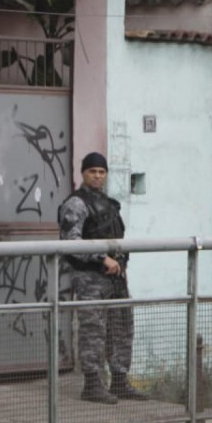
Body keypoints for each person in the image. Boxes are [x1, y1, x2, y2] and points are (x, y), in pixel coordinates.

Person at [58, 152, 147, 404]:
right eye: (92, 171)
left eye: (101, 172)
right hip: (90, 278)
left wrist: (120, 264)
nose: (97, 176)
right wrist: (101, 258)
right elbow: (71, 241)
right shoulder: (76, 204)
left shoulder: (107, 203)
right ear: (83, 173)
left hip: (116, 278)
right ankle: (93, 384)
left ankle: (119, 381)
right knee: (93, 332)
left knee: (121, 328)